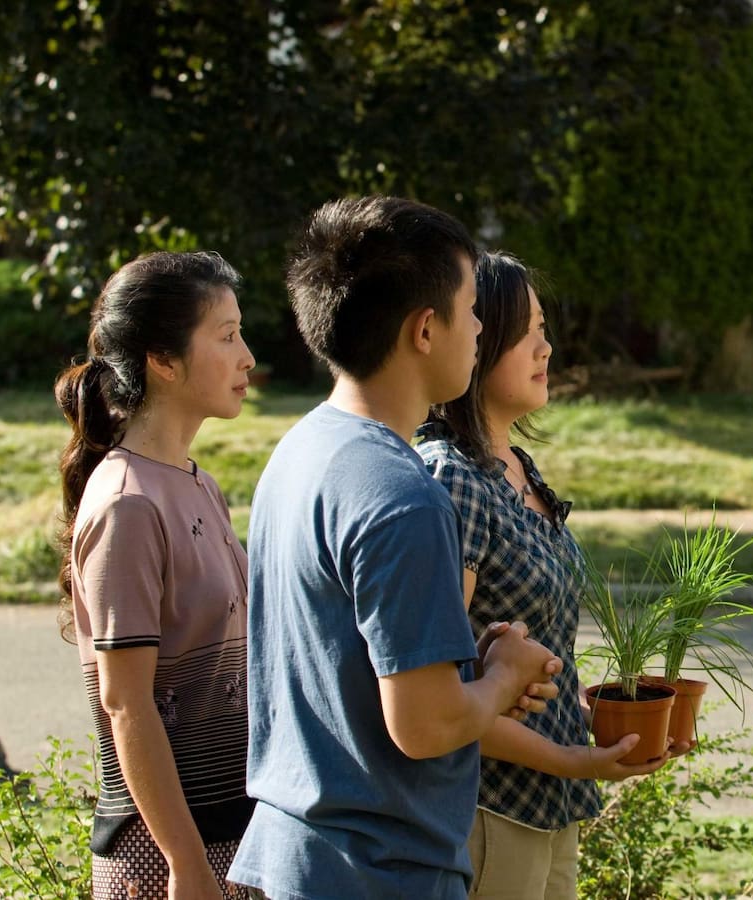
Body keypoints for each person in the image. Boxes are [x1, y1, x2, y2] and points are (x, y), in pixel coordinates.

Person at [227, 197, 561, 900]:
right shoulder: (402, 493)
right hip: (381, 873)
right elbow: (425, 722)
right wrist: (502, 677)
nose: (480, 328)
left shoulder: (299, 451)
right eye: (472, 308)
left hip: (296, 857)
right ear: (425, 329)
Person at [417, 251, 671, 899]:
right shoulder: (454, 477)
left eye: (544, 327)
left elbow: (529, 642)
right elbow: (438, 691)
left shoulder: (518, 467)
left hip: (552, 809)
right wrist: (573, 759)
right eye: (525, 330)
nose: (546, 347)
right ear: (479, 338)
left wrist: (591, 713)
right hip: (492, 810)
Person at [54, 251, 257, 900]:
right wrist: (185, 861)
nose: (247, 356)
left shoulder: (200, 484)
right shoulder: (127, 505)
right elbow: (126, 702)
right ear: (162, 360)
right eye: (226, 337)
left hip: (237, 836)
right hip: (165, 858)